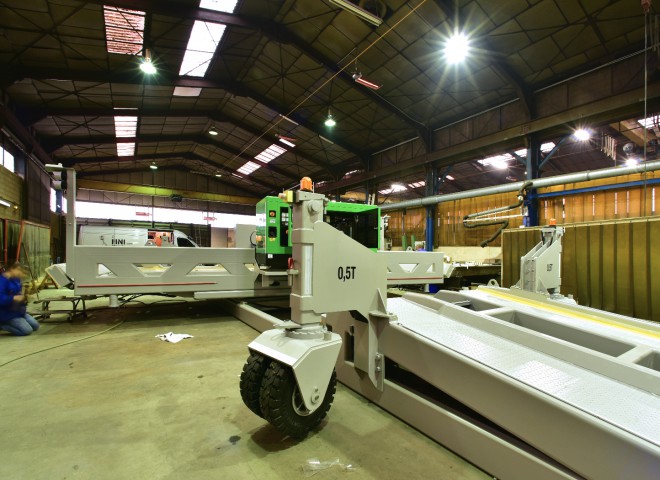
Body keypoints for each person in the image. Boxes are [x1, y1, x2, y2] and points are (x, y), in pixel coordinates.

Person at [0, 263, 40, 336]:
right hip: (7, 313)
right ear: (12, 269)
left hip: (18, 311)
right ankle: (2, 325)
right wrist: (13, 298)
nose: (21, 273)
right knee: (27, 331)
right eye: (19, 270)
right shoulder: (2, 281)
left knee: (35, 326)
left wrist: (26, 296)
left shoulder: (16, 279)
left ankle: (19, 321)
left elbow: (18, 292)